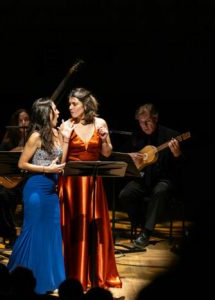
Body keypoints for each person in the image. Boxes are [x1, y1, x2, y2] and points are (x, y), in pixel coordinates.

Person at [58, 87, 121, 290]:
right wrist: (65, 137)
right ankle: (72, 274)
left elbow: (107, 153)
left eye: (74, 104)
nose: (70, 107)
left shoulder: (99, 123)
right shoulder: (66, 125)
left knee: (94, 227)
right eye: (69, 104)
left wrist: (104, 139)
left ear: (85, 105)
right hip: (71, 184)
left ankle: (94, 274)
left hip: (93, 183)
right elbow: (61, 160)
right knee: (73, 226)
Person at [7, 98, 66, 295]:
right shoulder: (35, 136)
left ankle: (47, 279)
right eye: (55, 110)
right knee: (33, 233)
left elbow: (62, 159)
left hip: (52, 192)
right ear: (46, 114)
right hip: (36, 190)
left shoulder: (57, 133)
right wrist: (46, 169)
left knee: (50, 235)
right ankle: (20, 277)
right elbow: (22, 164)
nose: (58, 112)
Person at [119, 103, 185, 249]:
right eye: (141, 122)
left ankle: (146, 233)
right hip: (143, 180)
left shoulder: (170, 136)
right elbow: (124, 156)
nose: (144, 126)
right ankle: (142, 225)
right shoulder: (136, 136)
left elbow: (182, 167)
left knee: (160, 191)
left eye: (147, 121)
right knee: (125, 194)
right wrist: (131, 157)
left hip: (163, 180)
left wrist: (177, 155)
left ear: (155, 118)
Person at [0, 109, 30, 247]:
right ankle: (9, 234)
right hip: (14, 184)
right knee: (2, 195)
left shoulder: (35, 138)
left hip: (29, 182)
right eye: (20, 120)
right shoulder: (9, 140)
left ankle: (28, 235)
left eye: (26, 120)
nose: (24, 123)